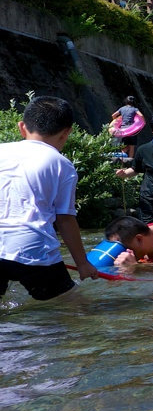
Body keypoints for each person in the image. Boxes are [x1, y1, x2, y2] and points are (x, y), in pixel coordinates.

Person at [1, 96, 99, 301]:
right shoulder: (61, 164)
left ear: (22, 126)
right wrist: (82, 263)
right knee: (70, 306)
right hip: (33, 248)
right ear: (66, 133)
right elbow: (65, 220)